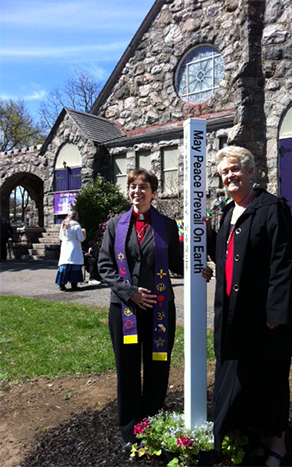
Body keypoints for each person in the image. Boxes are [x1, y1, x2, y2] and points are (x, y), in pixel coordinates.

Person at [206, 146, 292, 467]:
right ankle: (257, 437)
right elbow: (227, 258)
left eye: (235, 170)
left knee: (271, 380)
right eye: (224, 172)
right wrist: (205, 264)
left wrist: (276, 312)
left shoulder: (272, 208)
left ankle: (277, 444)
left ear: (250, 172)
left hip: (264, 318)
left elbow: (284, 263)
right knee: (249, 381)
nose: (229, 176)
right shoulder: (229, 213)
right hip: (235, 315)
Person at [98, 169, 185, 454]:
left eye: (143, 186)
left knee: (158, 367)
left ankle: (152, 424)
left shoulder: (168, 226)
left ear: (154, 192)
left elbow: (179, 265)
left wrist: (203, 246)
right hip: (125, 310)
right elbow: (105, 266)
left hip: (159, 310)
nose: (137, 191)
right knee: (128, 370)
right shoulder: (115, 225)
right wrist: (130, 292)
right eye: (133, 186)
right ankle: (130, 430)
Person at [55, 211, 86, 291]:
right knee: (75, 266)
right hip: (74, 247)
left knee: (64, 266)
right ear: (75, 217)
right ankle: (74, 284)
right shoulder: (76, 225)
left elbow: (61, 237)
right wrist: (83, 234)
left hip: (65, 247)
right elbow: (81, 238)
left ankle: (62, 284)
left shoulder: (64, 225)